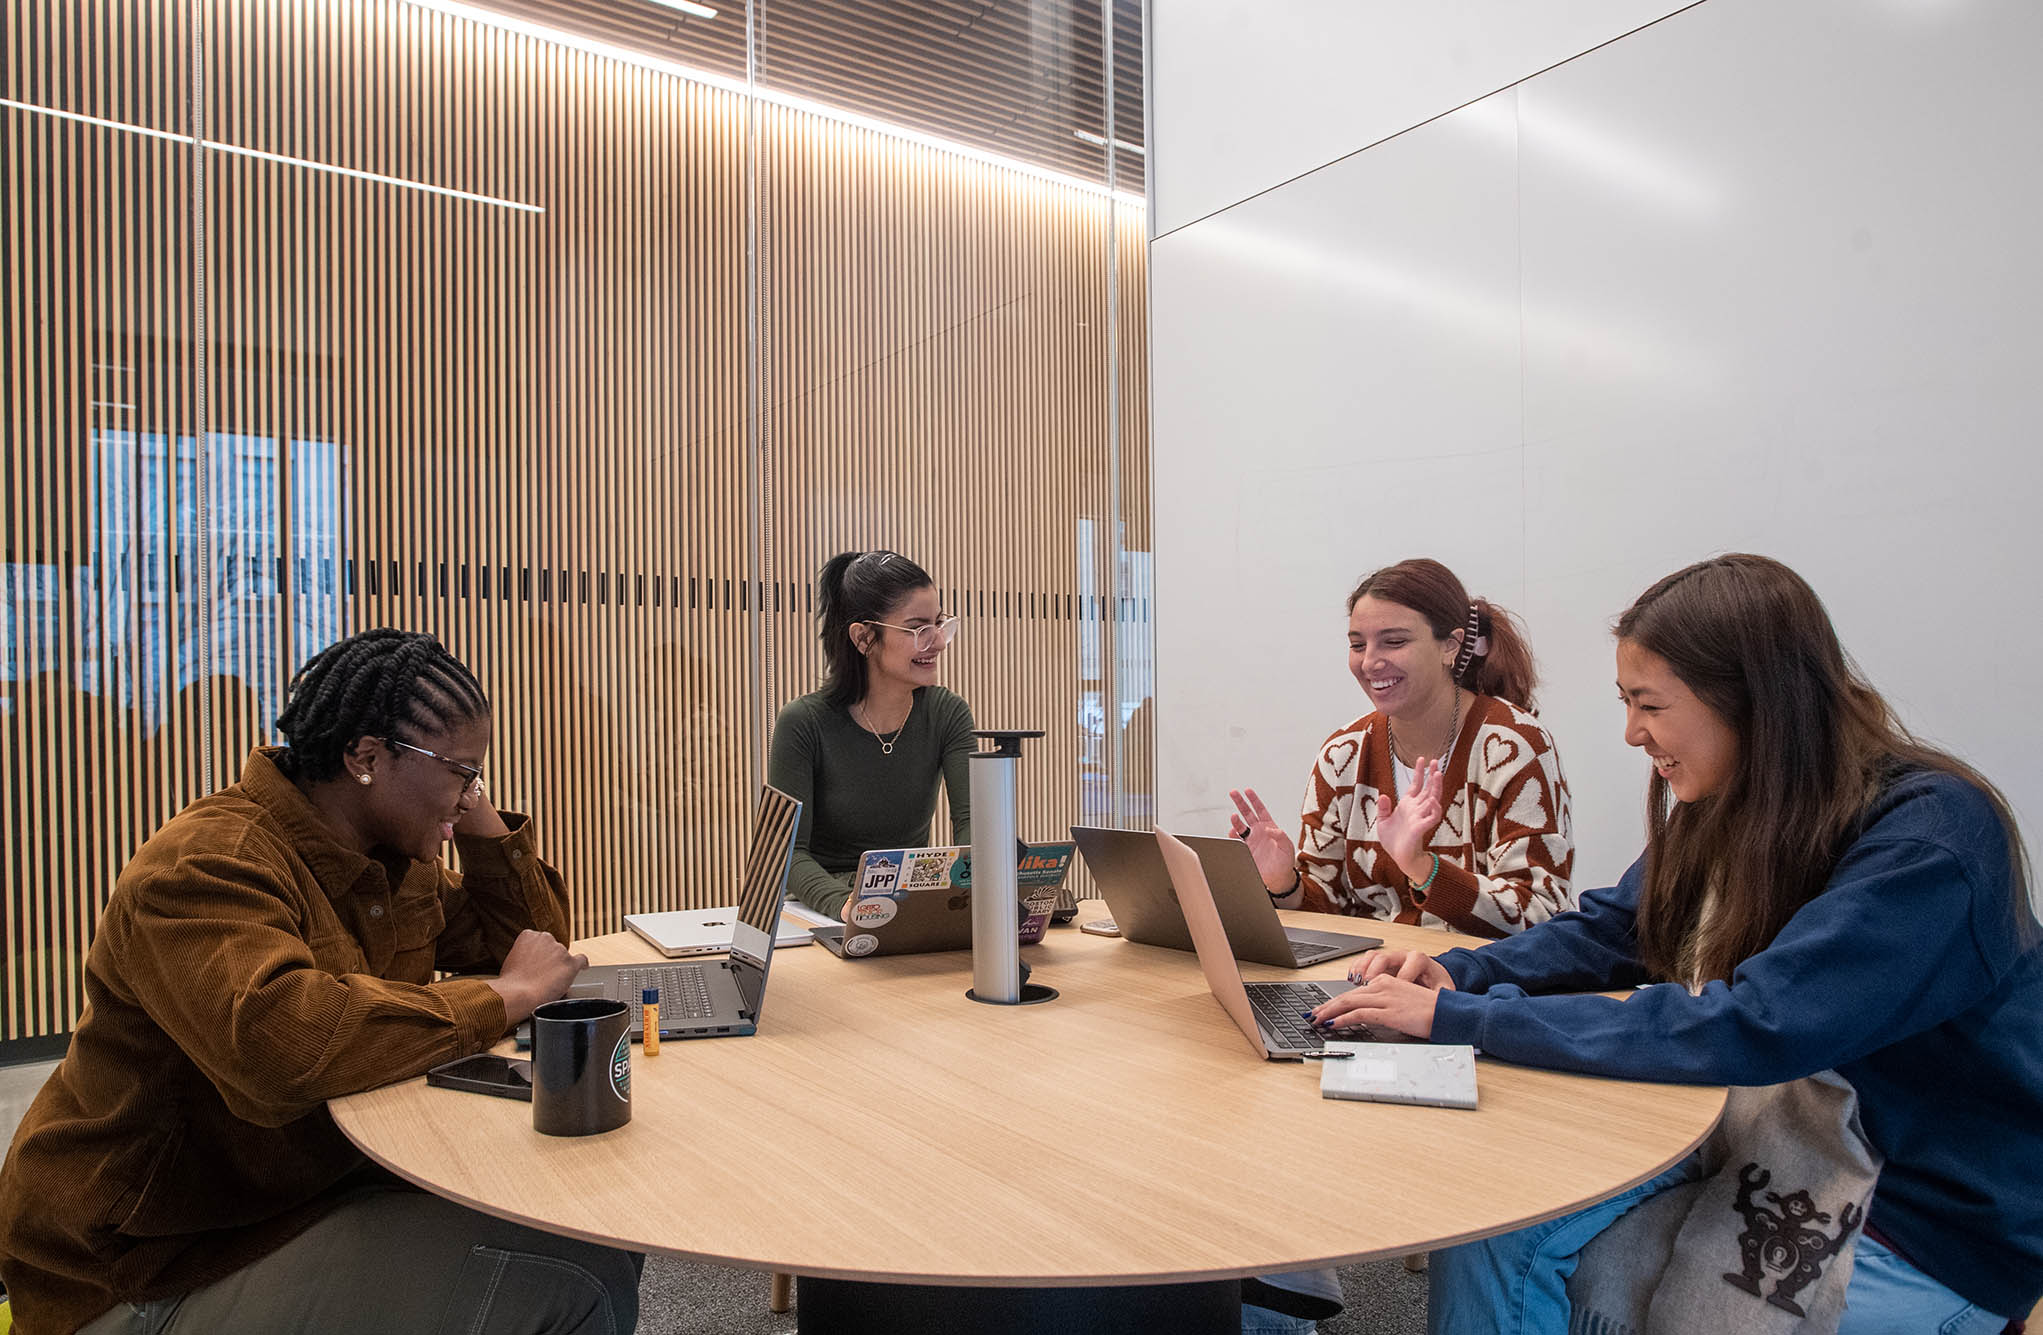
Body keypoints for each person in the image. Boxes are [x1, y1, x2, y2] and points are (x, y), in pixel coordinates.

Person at [1312, 555, 2043, 1334]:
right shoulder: (1730, 796)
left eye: (1648, 704)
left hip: (1923, 1208)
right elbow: (1614, 928)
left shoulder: (1929, 840)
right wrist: (1458, 974)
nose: (1631, 733)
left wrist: (1465, 1019)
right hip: (1758, 1124)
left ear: (1752, 702)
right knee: (1494, 1229)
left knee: (1615, 1291)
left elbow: (1753, 1023)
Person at [0, 629, 640, 1335]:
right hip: (143, 1267)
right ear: (366, 757)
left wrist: (470, 803)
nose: (468, 794)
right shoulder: (203, 865)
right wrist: (503, 997)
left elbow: (529, 942)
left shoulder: (388, 857)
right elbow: (286, 1045)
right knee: (572, 1281)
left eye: (476, 775)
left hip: (300, 1195)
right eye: (461, 772)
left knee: (599, 1221)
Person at [1230, 558, 1575, 941]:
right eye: (1358, 645)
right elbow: (1330, 911)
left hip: (1478, 986)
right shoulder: (1341, 755)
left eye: (1394, 642)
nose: (1370, 662)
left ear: (1451, 646)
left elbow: (1543, 914)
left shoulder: (1513, 746)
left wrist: (1424, 869)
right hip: (1370, 976)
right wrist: (1284, 884)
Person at [770, 550, 975, 920]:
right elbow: (789, 852)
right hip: (822, 909)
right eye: (917, 628)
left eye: (940, 624)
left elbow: (971, 823)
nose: (939, 642)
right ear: (863, 638)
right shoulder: (803, 722)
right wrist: (846, 905)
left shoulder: (947, 712)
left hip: (908, 904)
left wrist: (977, 886)